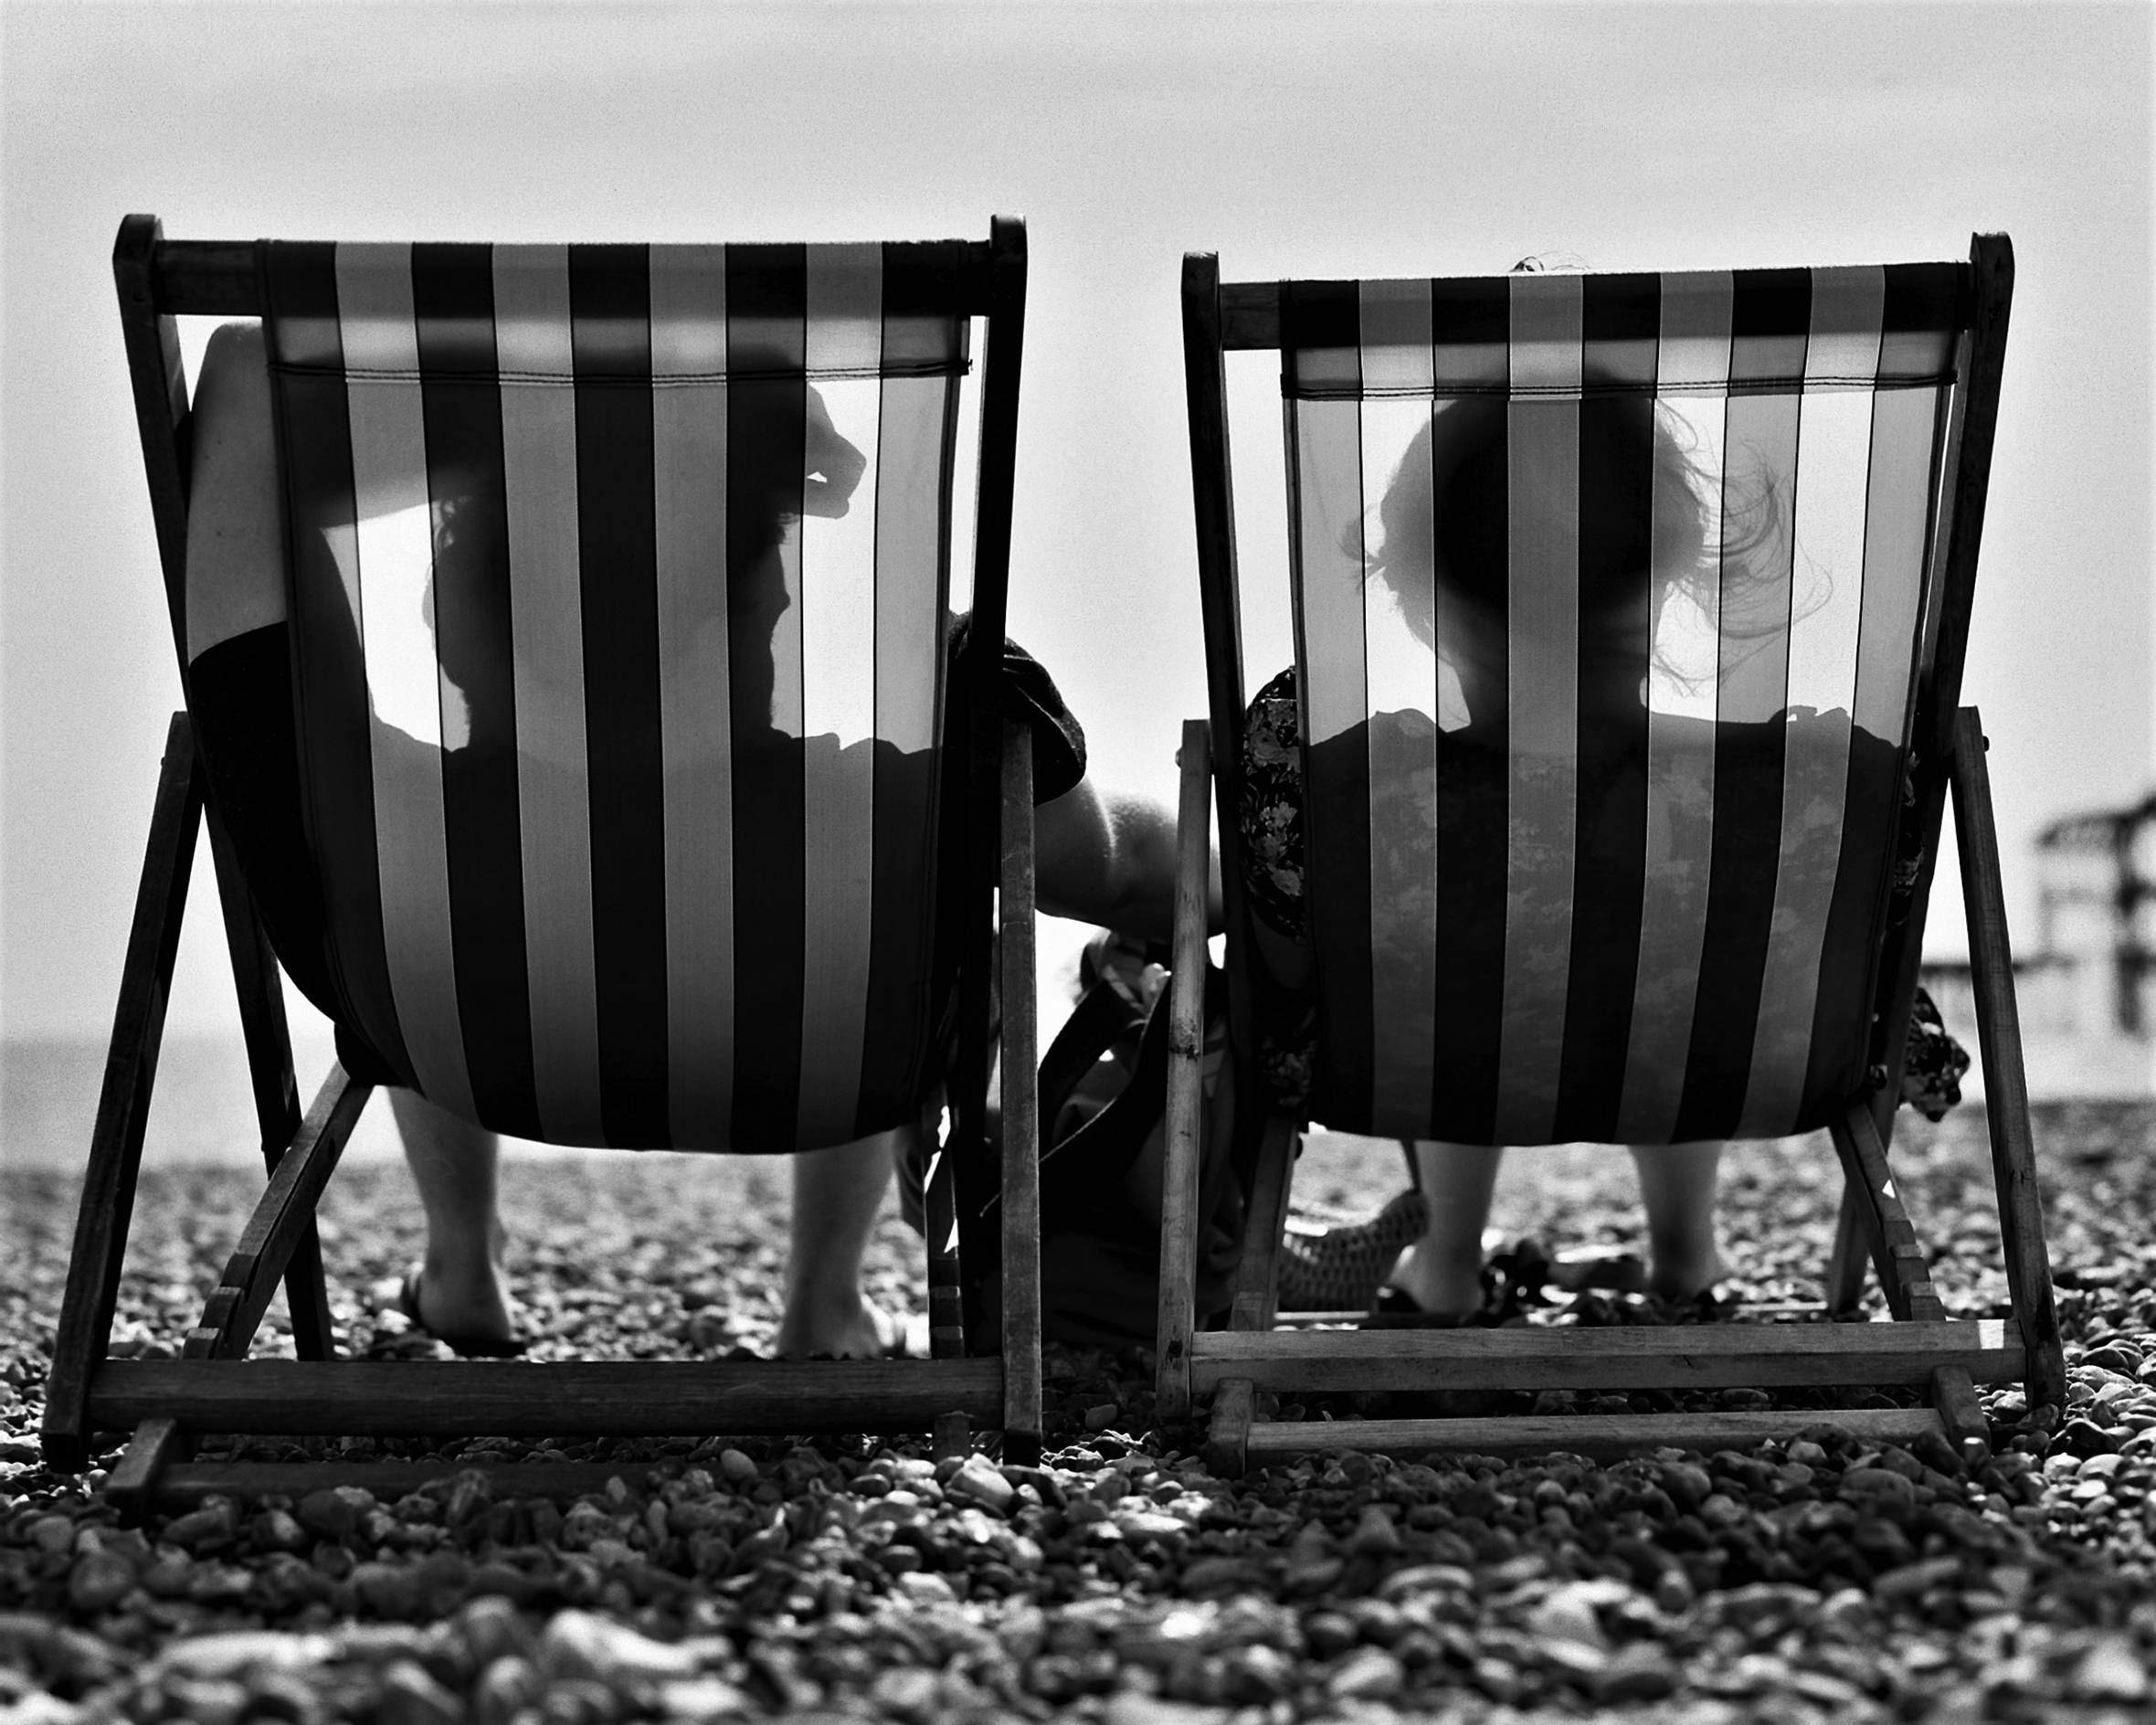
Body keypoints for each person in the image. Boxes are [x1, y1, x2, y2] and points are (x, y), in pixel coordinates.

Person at [182, 319, 1193, 1361]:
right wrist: (981, 667)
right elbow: (1138, 870)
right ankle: (823, 1302)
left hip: (460, 1041)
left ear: (453, 618)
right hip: (818, 1054)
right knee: (896, 925)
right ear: (773, 594)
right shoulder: (886, 818)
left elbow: (242, 385)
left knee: (422, 919)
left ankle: (460, 1264)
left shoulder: (371, 828)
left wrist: (555, 415)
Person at [1242, 384, 1967, 1321]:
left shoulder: (1338, 787)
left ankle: (1448, 1261)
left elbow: (1289, 979)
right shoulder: (1807, 800)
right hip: (1731, 1051)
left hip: (1429, 1049)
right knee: (1677, 907)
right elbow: (1871, 957)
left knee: (1461, 941)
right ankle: (1683, 1253)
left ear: (1414, 589)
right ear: (1669, 563)